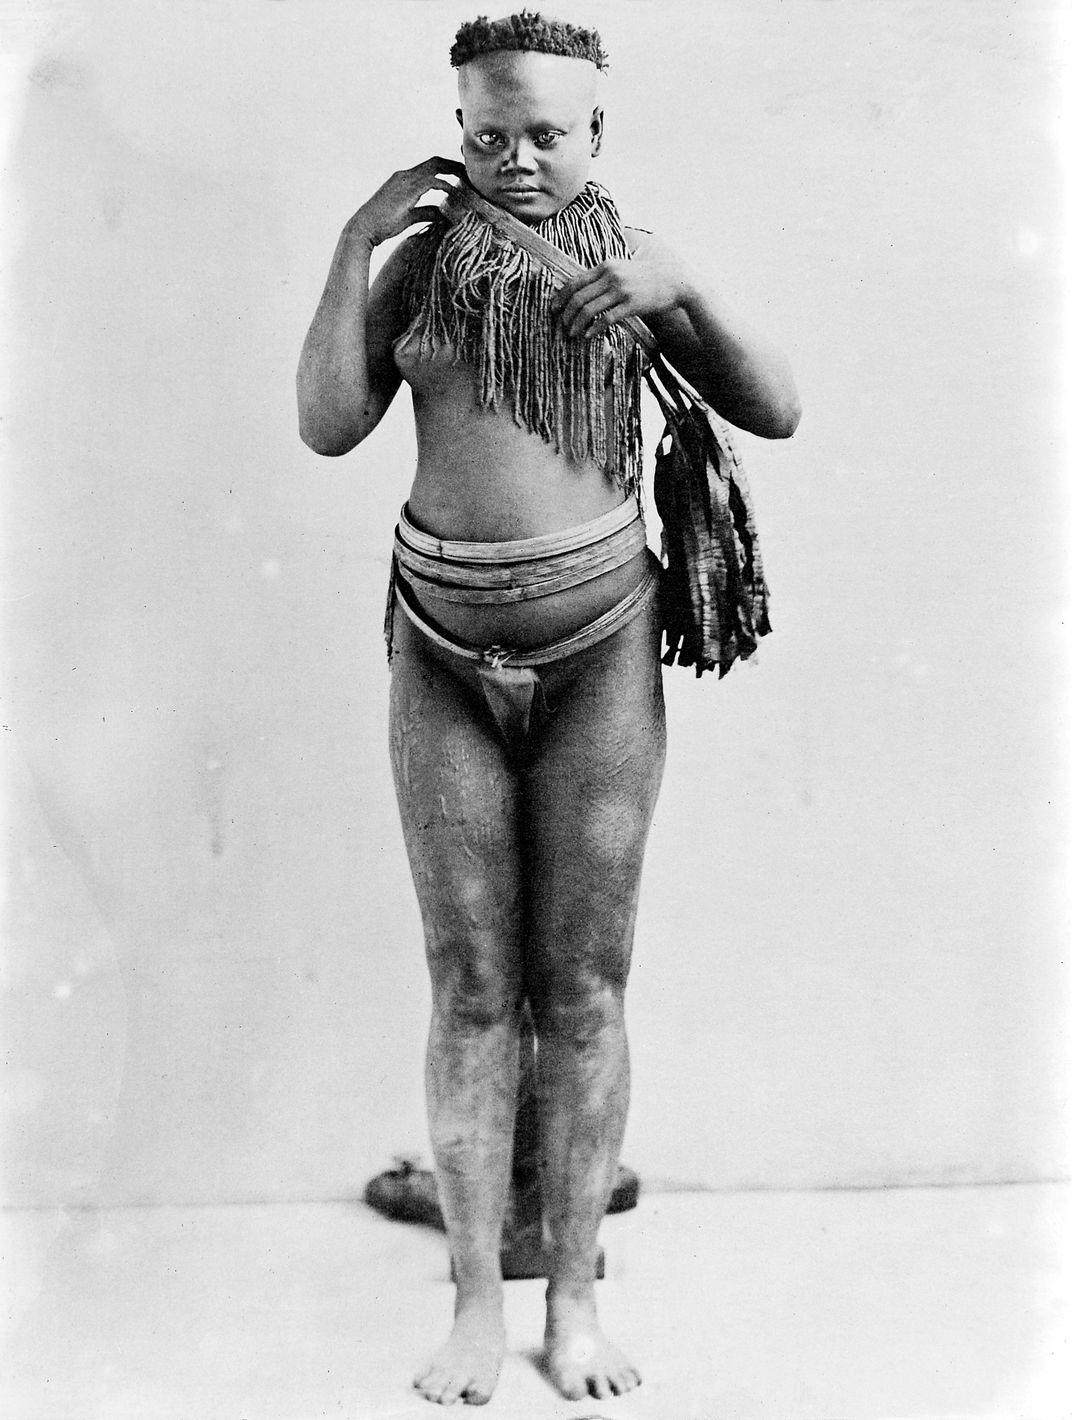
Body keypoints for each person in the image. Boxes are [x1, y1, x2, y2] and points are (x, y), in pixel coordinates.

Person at [297, 11, 799, 1406]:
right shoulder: (421, 276)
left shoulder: (626, 272)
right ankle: (474, 1299)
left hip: (599, 649)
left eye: (548, 135)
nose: (518, 160)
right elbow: (328, 422)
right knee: (469, 985)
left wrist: (682, 287)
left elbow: (781, 409)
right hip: (441, 647)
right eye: (488, 133)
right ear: (455, 129)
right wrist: (355, 249)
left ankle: (573, 1300)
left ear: (597, 132)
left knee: (581, 990)